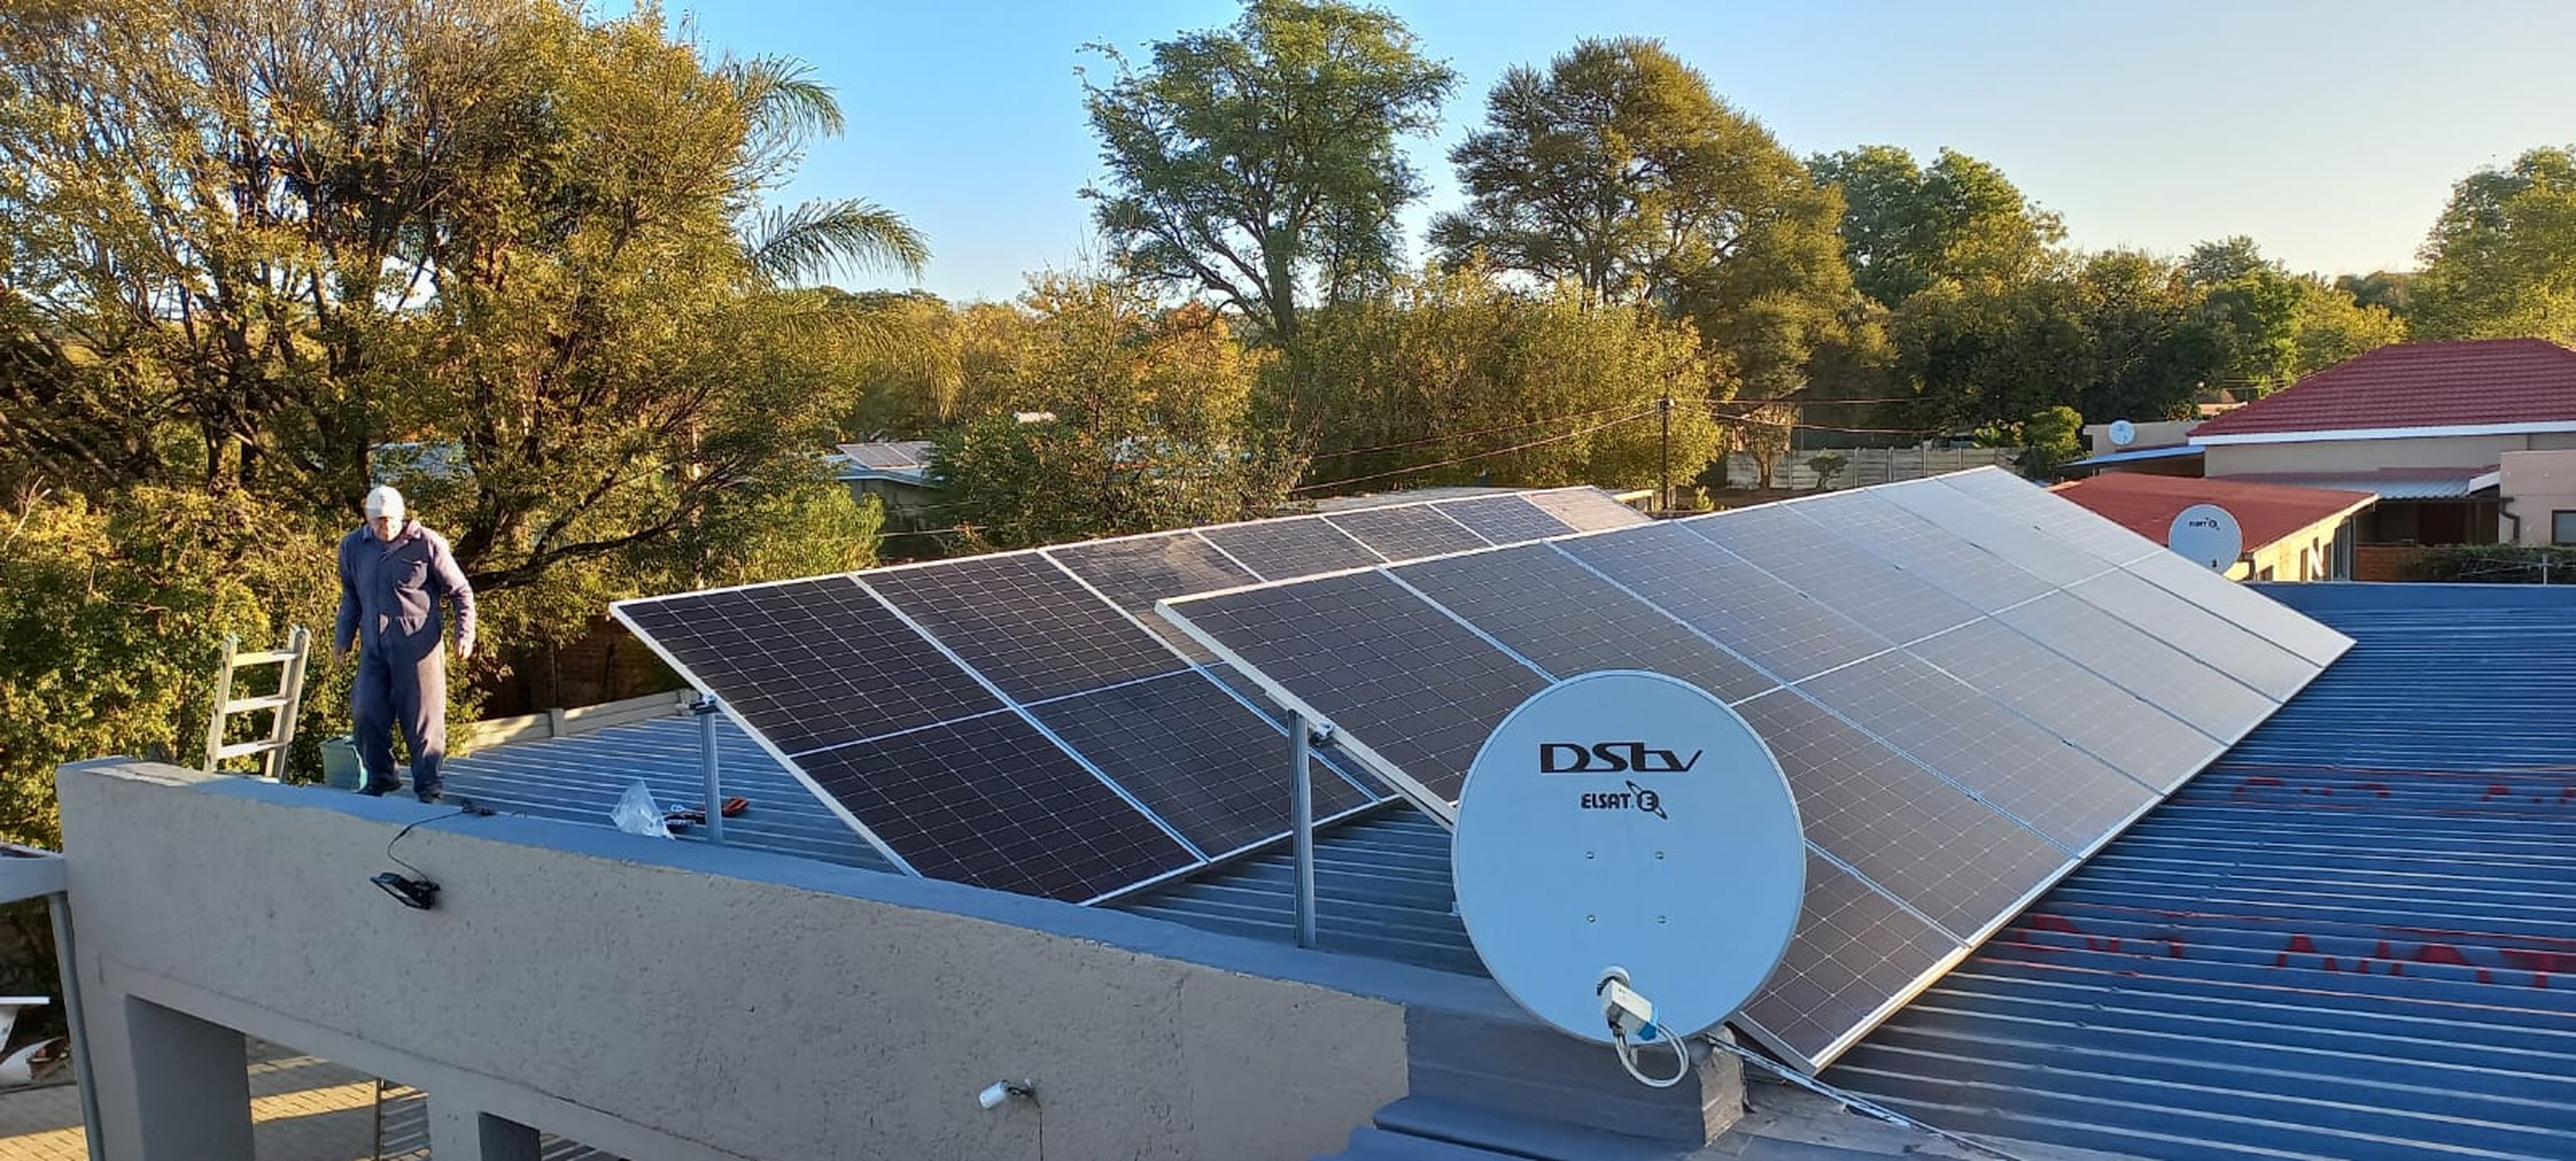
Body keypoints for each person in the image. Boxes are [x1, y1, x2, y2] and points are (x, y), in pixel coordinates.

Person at [334, 485, 477, 803]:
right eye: (378, 521)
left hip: (417, 647)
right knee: (366, 712)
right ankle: (382, 778)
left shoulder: (427, 543)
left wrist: (464, 635)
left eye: (390, 520)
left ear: (401, 516)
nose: (385, 527)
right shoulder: (353, 547)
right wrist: (343, 637)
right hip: (374, 647)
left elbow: (461, 592)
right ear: (368, 520)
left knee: (423, 720)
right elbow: (351, 598)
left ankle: (428, 787)